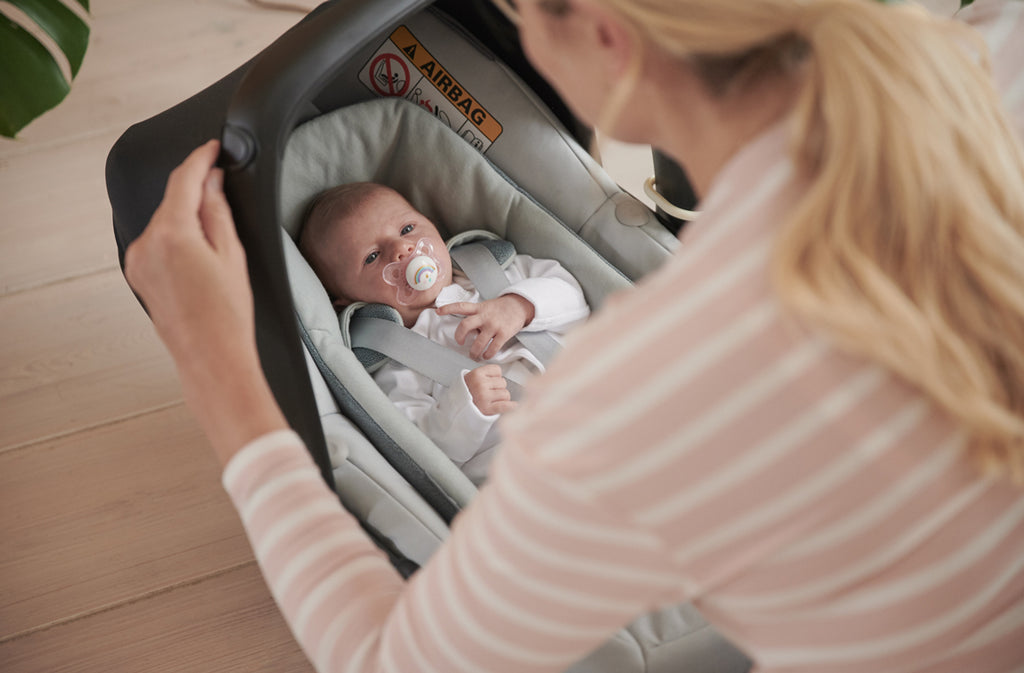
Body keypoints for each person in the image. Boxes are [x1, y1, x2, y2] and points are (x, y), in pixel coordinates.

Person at [123, 0, 1024, 671]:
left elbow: (391, 659)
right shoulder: (993, 58)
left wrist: (221, 368)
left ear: (606, 35)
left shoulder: (632, 392)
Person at [298, 181, 589, 483]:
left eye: (408, 229)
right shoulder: (395, 363)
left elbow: (572, 296)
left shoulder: (498, 272)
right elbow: (426, 448)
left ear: (433, 226)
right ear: (346, 299)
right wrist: (466, 406)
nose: (402, 250)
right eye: (372, 256)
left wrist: (519, 306)